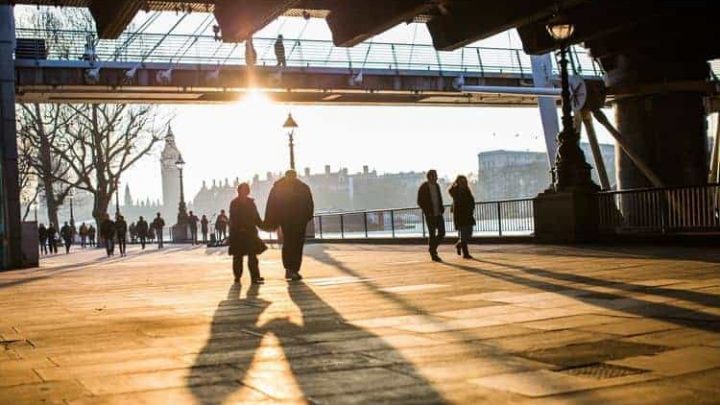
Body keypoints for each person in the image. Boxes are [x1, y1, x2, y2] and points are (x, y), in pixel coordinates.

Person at [265, 169, 314, 281]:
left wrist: (272, 221)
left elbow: (271, 205)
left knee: (292, 244)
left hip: (292, 220)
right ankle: (291, 269)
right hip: (292, 220)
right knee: (293, 244)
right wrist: (308, 216)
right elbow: (309, 203)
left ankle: (291, 269)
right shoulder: (301, 188)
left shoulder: (279, 188)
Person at [228, 183, 267, 284]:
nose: (245, 192)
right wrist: (236, 230)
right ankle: (237, 276)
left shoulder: (251, 203)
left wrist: (264, 226)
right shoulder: (234, 203)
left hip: (250, 233)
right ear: (239, 191)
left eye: (246, 190)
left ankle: (255, 277)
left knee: (252, 256)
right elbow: (233, 218)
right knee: (237, 257)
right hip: (238, 233)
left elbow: (256, 217)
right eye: (243, 190)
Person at [417, 169, 446, 262]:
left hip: (438, 213)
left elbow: (439, 198)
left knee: (442, 232)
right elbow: (419, 201)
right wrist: (426, 211)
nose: (437, 177)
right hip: (430, 215)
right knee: (432, 234)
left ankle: (432, 248)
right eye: (435, 176)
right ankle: (433, 254)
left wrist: (441, 208)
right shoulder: (424, 187)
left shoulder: (437, 186)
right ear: (430, 177)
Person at [449, 175, 476, 259]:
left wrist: (471, 208)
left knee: (469, 233)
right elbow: (451, 191)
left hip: (468, 215)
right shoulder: (456, 192)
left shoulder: (467, 191)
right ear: (458, 182)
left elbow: (471, 201)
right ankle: (465, 253)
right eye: (461, 182)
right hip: (460, 215)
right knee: (464, 234)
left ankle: (459, 244)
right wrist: (454, 186)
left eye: (464, 181)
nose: (463, 183)